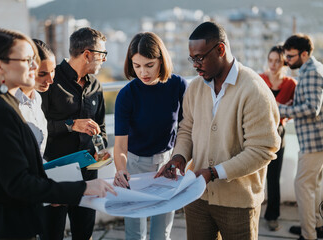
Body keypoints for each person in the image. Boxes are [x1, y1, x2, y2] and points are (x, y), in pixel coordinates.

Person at [0, 28, 116, 240]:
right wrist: (81, 188)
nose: (34, 67)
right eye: (27, 60)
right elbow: (19, 183)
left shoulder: (12, 103)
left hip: (14, 219)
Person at [155, 21, 281, 240]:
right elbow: (186, 129)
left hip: (238, 204)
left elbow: (263, 150)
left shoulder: (254, 89)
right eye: (192, 58)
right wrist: (179, 157)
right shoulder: (194, 87)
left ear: (221, 49)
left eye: (199, 58)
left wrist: (214, 173)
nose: (195, 65)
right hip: (196, 197)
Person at [113, 32, 188, 240]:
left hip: (168, 163)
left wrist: (177, 160)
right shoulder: (126, 95)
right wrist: (121, 170)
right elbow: (120, 145)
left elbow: (186, 129)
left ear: (161, 61)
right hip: (134, 166)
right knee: (134, 232)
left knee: (161, 233)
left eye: (149, 65)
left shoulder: (178, 85)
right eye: (136, 66)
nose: (143, 72)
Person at [40, 27, 109, 240]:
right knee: (51, 234)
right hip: (55, 173)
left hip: (88, 173)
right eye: (102, 55)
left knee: (84, 233)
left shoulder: (96, 85)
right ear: (87, 54)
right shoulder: (50, 81)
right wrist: (71, 125)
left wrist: (101, 147)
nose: (104, 61)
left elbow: (103, 129)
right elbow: (37, 127)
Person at [279, 34, 323, 240]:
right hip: (315, 140)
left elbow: (312, 108)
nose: (286, 61)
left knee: (303, 186)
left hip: (314, 142)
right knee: (314, 185)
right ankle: (317, 226)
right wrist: (291, 107)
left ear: (304, 54)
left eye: (290, 56)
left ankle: (309, 235)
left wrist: (281, 110)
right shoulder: (312, 69)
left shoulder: (312, 72)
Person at [259, 45, 297, 231]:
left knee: (274, 177)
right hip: (257, 132)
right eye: (270, 60)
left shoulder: (291, 84)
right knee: (254, 173)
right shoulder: (260, 79)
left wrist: (282, 116)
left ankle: (272, 216)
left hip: (278, 132)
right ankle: (251, 211)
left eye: (277, 61)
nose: (273, 64)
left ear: (284, 63)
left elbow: (294, 109)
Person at [15, 39, 56, 158]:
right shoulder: (9, 104)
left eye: (52, 71)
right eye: (42, 74)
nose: (51, 80)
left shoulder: (36, 98)